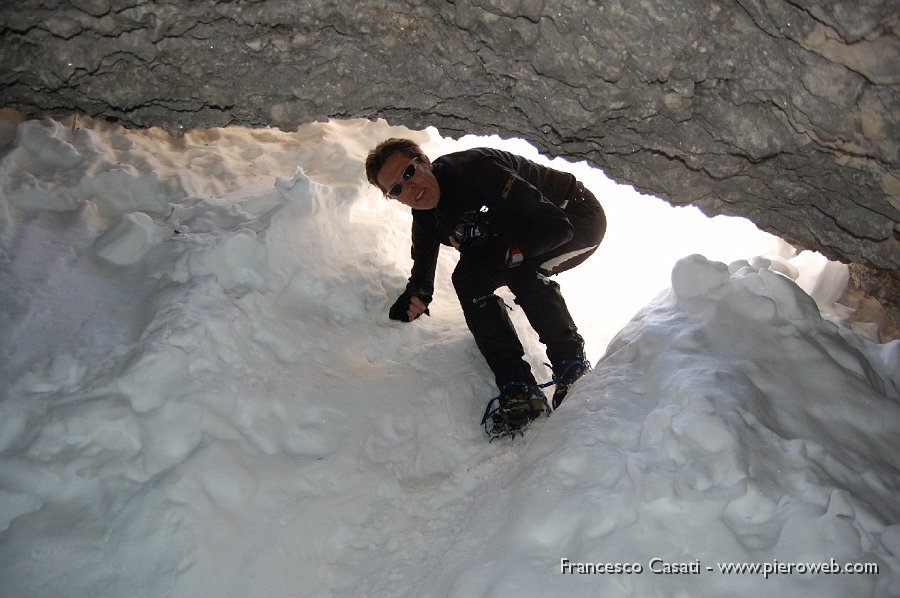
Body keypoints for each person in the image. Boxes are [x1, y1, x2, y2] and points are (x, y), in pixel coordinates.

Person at [365, 138, 606, 439]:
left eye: (409, 173)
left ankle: (571, 364)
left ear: (425, 161)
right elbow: (422, 269)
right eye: (397, 189)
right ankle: (518, 389)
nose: (410, 189)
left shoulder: (477, 171)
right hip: (519, 237)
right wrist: (417, 296)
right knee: (467, 279)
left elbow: (556, 226)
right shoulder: (426, 212)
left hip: (574, 217)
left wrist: (503, 253)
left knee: (520, 269)